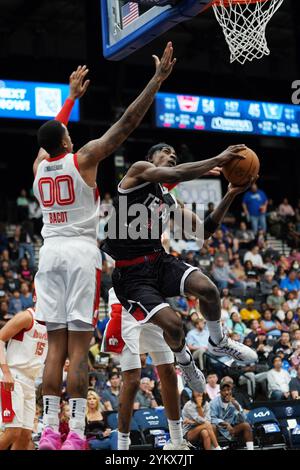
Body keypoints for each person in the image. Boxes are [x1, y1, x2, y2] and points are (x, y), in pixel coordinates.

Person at [35, 44, 176, 451]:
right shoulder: (83, 159)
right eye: (67, 130)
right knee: (78, 352)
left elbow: (45, 143)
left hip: (49, 253)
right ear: (65, 138)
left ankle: (48, 432)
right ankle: (76, 433)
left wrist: (69, 101)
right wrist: (156, 80)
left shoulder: (39, 168)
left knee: (54, 352)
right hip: (79, 253)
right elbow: (127, 123)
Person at [0, 308, 48, 450]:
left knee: (25, 436)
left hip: (31, 381)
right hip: (14, 376)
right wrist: (6, 372)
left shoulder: (53, 323)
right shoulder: (27, 317)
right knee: (12, 432)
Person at [210, 382, 254, 449]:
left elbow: (243, 419)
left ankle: (251, 448)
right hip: (219, 430)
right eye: (224, 390)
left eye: (228, 390)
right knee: (212, 426)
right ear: (220, 392)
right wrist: (226, 424)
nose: (227, 392)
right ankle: (215, 448)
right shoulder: (214, 403)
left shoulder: (234, 402)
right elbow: (212, 418)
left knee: (246, 425)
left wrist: (237, 407)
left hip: (231, 430)